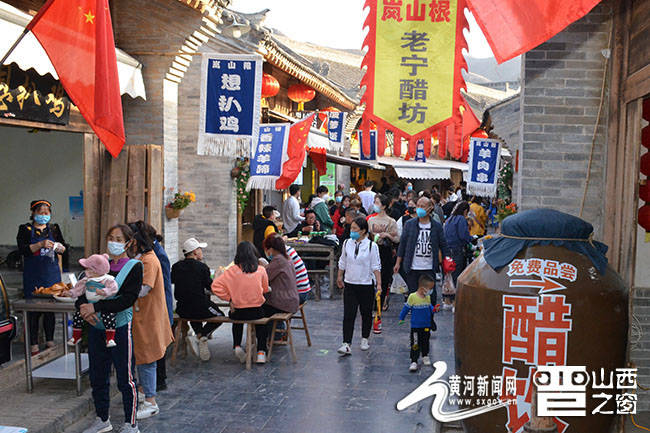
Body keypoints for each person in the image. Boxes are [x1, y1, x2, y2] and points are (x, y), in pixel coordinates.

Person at [77, 224, 141, 433]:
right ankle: (102, 419)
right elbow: (80, 291)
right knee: (98, 376)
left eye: (119, 239)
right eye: (111, 237)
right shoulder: (97, 263)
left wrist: (96, 306)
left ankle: (131, 423)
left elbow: (127, 299)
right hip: (96, 328)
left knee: (125, 377)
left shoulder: (133, 267)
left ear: (129, 243)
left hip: (121, 328)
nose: (114, 242)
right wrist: (83, 308)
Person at [127, 223, 173, 420]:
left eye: (126, 240)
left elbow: (144, 289)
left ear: (135, 241)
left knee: (147, 359)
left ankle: (151, 402)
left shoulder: (149, 261)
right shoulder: (143, 259)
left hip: (148, 317)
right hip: (144, 317)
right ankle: (145, 394)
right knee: (143, 358)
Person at [17, 199, 66, 355]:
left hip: (51, 274)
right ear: (33, 213)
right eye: (40, 212)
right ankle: (33, 343)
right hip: (33, 275)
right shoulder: (25, 229)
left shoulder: (54, 229)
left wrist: (60, 247)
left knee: (50, 309)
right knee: (33, 309)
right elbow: (23, 250)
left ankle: (50, 340)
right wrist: (40, 245)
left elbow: (64, 249)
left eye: (47, 213)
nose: (44, 215)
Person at [212, 242, 270, 364]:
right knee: (262, 324)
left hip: (238, 312)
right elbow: (265, 289)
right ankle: (261, 352)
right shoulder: (261, 270)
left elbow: (215, 286)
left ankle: (237, 346)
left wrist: (230, 299)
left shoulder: (232, 270)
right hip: (256, 312)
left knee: (235, 319)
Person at [172, 238, 224, 362]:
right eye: (200, 249)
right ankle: (200, 336)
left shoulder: (176, 266)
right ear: (195, 252)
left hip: (182, 309)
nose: (202, 251)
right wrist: (217, 276)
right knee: (220, 316)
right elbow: (211, 287)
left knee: (195, 310)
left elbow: (173, 280)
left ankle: (199, 336)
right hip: (199, 307)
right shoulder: (202, 267)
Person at [336, 217, 381, 356]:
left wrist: (379, 283)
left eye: (355, 229)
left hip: (366, 284)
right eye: (351, 228)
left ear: (363, 231)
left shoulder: (371, 246)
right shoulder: (346, 244)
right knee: (349, 313)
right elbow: (342, 261)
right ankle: (346, 342)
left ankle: (365, 338)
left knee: (366, 313)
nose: (352, 231)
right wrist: (339, 276)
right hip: (350, 282)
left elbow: (376, 266)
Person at [394, 197, 450, 303]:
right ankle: (416, 317)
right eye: (418, 206)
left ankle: (429, 317)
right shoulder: (409, 224)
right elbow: (403, 245)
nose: (419, 209)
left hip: (429, 267)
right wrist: (398, 263)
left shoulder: (436, 226)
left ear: (430, 208)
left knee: (430, 296)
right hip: (412, 266)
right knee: (413, 296)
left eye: (422, 206)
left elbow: (443, 245)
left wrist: (447, 261)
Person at [137, 222, 172, 391]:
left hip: (158, 304)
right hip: (154, 305)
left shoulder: (154, 256)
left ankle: (158, 382)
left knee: (156, 348)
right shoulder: (150, 253)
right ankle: (154, 383)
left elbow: (161, 284)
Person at [66, 254, 119, 347]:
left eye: (88, 269)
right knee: (77, 316)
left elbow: (113, 288)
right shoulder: (86, 280)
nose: (86, 271)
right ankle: (76, 336)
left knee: (109, 317)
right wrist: (71, 293)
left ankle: (110, 338)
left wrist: (104, 291)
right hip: (89, 305)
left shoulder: (107, 279)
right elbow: (78, 289)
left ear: (95, 270)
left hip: (102, 305)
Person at [368, 194, 399, 323]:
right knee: (371, 275)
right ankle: (371, 301)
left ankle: (381, 300)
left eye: (377, 202)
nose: (375, 205)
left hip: (385, 251)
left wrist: (387, 235)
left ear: (384, 206)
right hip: (372, 250)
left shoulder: (391, 221)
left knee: (384, 276)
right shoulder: (370, 220)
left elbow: (397, 238)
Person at [398, 274, 437, 372]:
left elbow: (429, 307)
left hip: (426, 325)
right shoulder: (412, 297)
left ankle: (425, 355)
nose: (430, 291)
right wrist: (401, 318)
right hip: (415, 326)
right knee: (415, 343)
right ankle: (414, 360)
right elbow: (406, 308)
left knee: (425, 341)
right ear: (423, 288)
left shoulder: (427, 298)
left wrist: (434, 309)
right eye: (430, 289)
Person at [262, 236, 300, 320]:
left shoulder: (278, 260)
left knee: (258, 311)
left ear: (271, 249)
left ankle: (269, 333)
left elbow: (264, 277)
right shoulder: (287, 258)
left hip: (283, 302)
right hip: (291, 299)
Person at [443, 201, 475, 285]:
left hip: (447, 250)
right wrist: (472, 238)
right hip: (457, 250)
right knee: (457, 274)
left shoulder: (450, 218)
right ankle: (455, 295)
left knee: (448, 274)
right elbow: (463, 235)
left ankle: (447, 295)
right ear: (465, 211)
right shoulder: (461, 219)